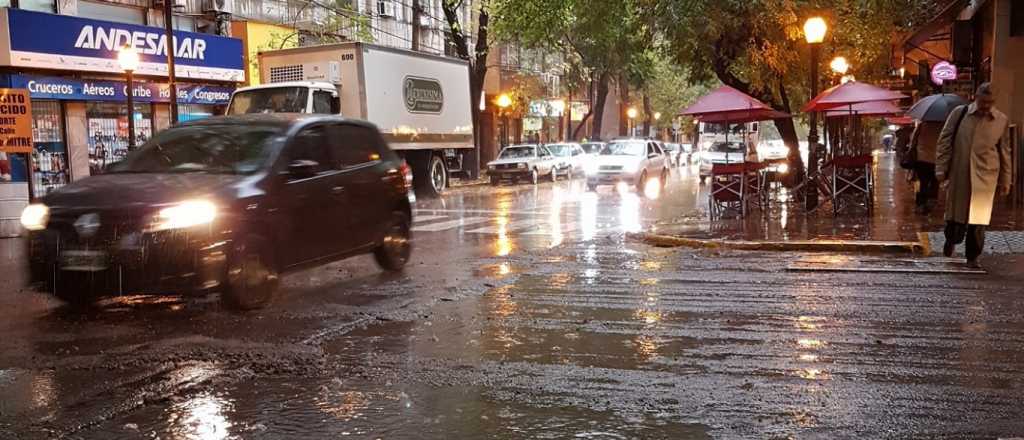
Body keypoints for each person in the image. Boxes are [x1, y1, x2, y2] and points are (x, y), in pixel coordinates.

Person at [936, 83, 1012, 268]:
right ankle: (951, 240)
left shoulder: (1001, 120)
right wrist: (941, 168)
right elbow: (944, 141)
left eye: (990, 102)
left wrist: (1006, 179)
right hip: (960, 172)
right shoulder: (959, 114)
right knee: (956, 217)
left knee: (979, 220)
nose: (986, 105)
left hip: (986, 176)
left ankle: (973, 257)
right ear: (975, 97)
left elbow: (1004, 151)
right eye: (983, 101)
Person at [909, 120, 943, 214]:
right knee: (935, 182)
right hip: (937, 159)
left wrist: (912, 150)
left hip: (922, 159)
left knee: (923, 182)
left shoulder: (921, 125)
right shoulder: (943, 126)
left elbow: (913, 141)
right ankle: (931, 202)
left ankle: (921, 204)